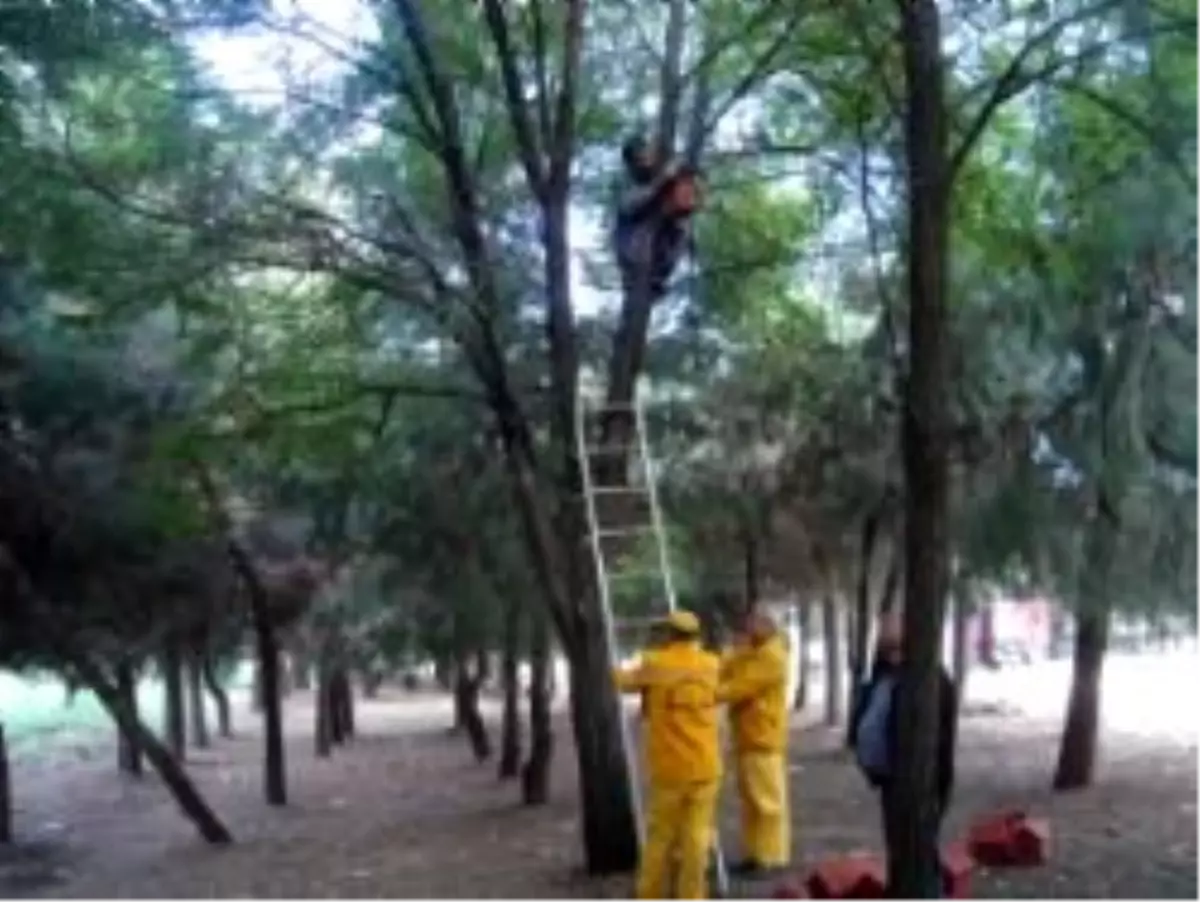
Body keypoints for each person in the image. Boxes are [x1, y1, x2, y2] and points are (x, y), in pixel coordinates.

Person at [614, 609, 722, 902]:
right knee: (697, 838)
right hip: (706, 767)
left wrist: (612, 667)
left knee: (660, 838)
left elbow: (623, 682)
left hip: (671, 769)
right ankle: (692, 897)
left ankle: (648, 894)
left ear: (670, 634)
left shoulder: (656, 664)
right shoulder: (711, 664)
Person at [851, 611, 959, 900]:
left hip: (920, 784)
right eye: (883, 626)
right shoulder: (884, 671)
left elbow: (937, 738)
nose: (883, 629)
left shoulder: (931, 678)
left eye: (890, 625)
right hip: (889, 780)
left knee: (921, 853)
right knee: (899, 850)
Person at [718, 605, 791, 878]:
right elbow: (728, 666)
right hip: (748, 737)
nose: (748, 625)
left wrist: (705, 695)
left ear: (768, 624)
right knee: (750, 802)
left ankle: (771, 857)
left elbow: (741, 687)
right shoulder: (754, 650)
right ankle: (755, 853)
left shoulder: (771, 656)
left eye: (754, 621)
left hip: (763, 738)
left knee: (767, 803)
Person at [613, 132, 692, 299]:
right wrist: (664, 178)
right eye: (638, 158)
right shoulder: (630, 187)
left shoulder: (662, 182)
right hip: (633, 247)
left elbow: (680, 211)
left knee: (680, 224)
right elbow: (633, 204)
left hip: (659, 249)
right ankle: (638, 275)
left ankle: (657, 276)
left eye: (644, 154)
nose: (643, 159)